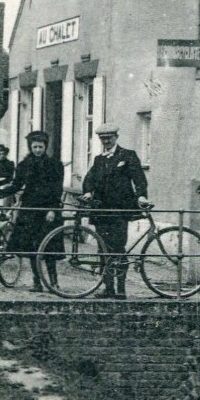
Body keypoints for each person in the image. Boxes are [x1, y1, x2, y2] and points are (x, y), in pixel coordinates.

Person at [82, 122, 150, 300]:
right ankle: (108, 288)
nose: (106, 141)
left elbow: (139, 178)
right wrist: (88, 192)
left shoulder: (127, 156)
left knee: (118, 248)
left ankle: (120, 289)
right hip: (101, 210)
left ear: (116, 138)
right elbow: (89, 179)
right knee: (103, 249)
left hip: (120, 210)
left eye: (109, 138)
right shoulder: (99, 160)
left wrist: (141, 196)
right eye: (103, 139)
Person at [0, 130, 64, 292]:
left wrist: (52, 210)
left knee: (49, 247)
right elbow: (17, 185)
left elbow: (57, 189)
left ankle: (54, 282)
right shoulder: (24, 165)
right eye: (35, 147)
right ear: (30, 147)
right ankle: (37, 282)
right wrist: (2, 191)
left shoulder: (55, 165)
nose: (38, 150)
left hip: (48, 210)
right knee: (32, 248)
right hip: (29, 210)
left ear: (45, 147)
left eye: (41, 147)